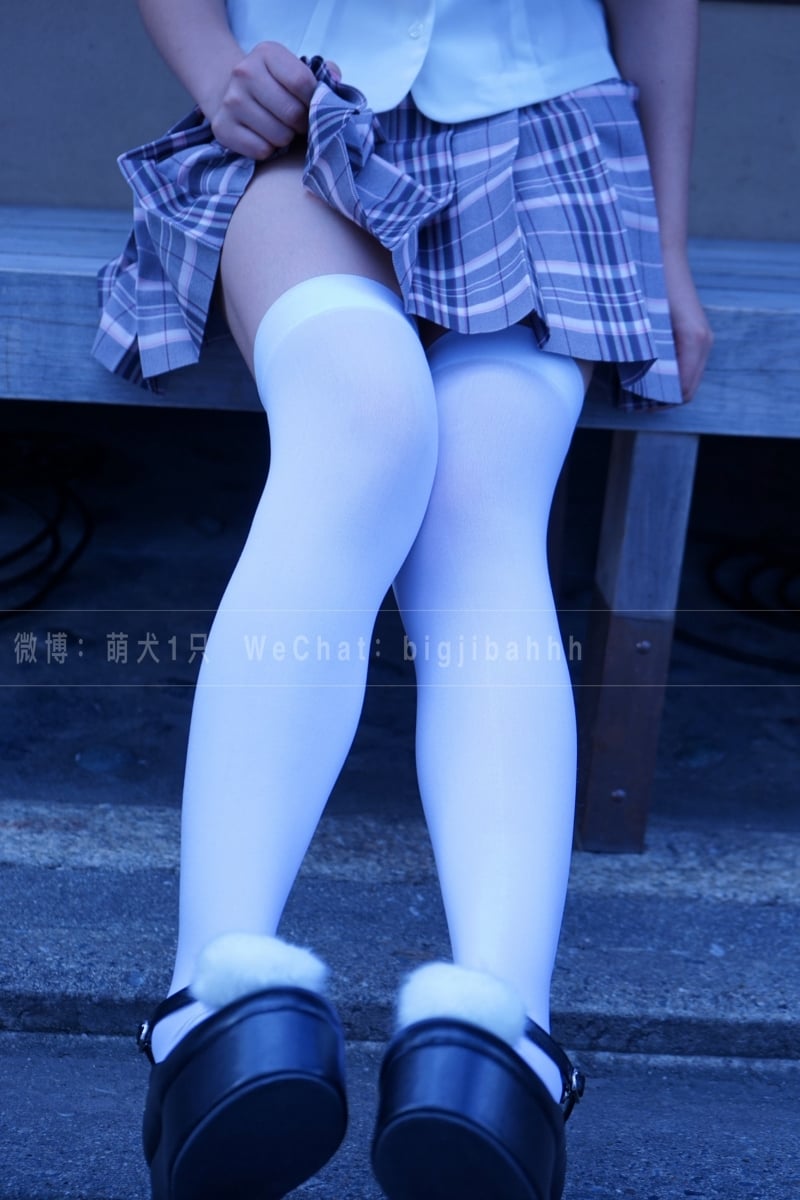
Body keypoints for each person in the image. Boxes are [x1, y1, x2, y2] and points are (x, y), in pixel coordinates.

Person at [93, 2, 712, 1197]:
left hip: (547, 137)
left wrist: (669, 246)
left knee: (481, 501)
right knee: (364, 424)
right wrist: (217, 75)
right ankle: (223, 999)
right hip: (296, 121)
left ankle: (490, 1027)